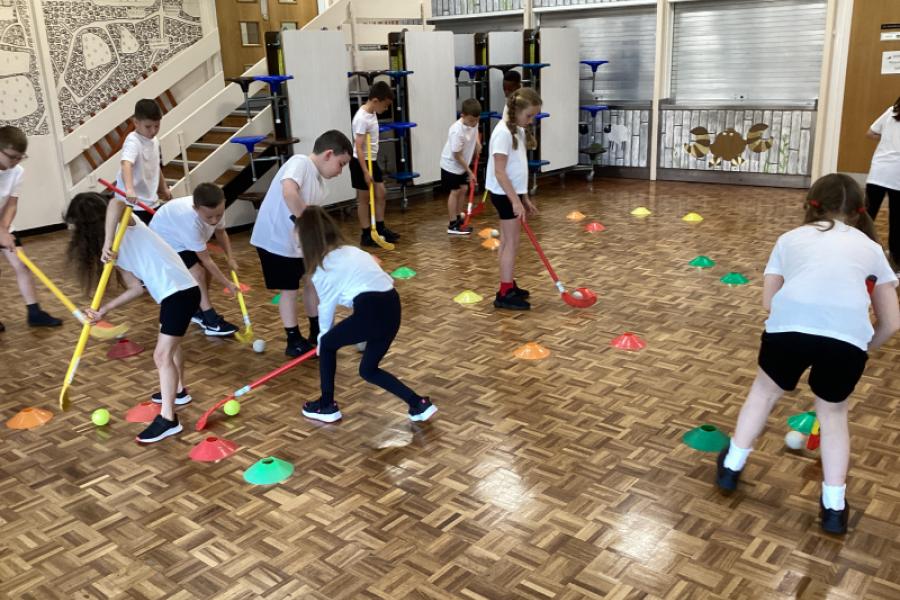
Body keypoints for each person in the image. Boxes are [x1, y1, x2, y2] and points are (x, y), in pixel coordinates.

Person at [715, 173, 900, 535]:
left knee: (763, 393)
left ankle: (731, 467)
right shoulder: (872, 249)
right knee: (833, 416)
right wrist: (863, 345)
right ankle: (833, 507)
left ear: (811, 204)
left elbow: (768, 301)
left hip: (788, 331)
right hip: (845, 342)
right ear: (859, 210)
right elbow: (892, 322)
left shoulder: (789, 239)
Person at [65, 192, 202, 443]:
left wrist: (108, 242)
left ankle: (168, 419)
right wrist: (104, 310)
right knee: (171, 349)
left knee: (161, 355)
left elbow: (117, 202)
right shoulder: (113, 250)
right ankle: (179, 391)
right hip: (172, 294)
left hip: (181, 291)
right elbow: (136, 288)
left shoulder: (125, 223)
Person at [296, 206, 436, 424]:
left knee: (329, 344)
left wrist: (322, 340)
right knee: (368, 370)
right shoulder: (353, 251)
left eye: (299, 243)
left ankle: (326, 405)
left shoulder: (322, 268)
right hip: (392, 306)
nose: (297, 247)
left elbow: (326, 308)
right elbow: (382, 280)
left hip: (371, 310)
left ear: (309, 241)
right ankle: (418, 403)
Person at [250, 130, 352, 356]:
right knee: (289, 289)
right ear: (328, 154)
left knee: (311, 282)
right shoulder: (300, 162)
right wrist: (307, 225)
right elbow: (289, 192)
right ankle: (293, 339)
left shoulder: (320, 184)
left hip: (298, 244)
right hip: (275, 242)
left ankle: (316, 331)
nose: (340, 171)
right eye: (341, 164)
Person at [149, 182, 239, 336]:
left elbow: (221, 232)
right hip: (163, 241)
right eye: (209, 217)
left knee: (206, 274)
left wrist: (230, 257)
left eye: (218, 215)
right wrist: (227, 284)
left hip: (180, 238)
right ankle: (211, 321)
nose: (214, 220)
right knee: (198, 273)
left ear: (223, 203)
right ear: (195, 209)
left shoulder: (216, 209)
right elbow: (207, 260)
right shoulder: (189, 222)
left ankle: (196, 309)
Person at [0, 125, 62, 331]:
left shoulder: (17, 171)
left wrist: (5, 229)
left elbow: (11, 204)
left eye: (20, 157)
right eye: (12, 157)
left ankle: (34, 313)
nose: (16, 161)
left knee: (22, 265)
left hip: (3, 224)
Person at [485, 88, 542, 310]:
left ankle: (508, 284)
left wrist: (524, 196)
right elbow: (500, 172)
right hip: (504, 194)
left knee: (510, 242)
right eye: (529, 115)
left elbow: (518, 168)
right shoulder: (502, 133)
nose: (531, 120)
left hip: (511, 193)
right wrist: (515, 201)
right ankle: (504, 293)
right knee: (511, 243)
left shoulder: (516, 129)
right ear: (516, 111)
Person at [348, 81, 400, 247]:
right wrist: (365, 171)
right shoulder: (361, 118)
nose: (386, 109)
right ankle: (366, 234)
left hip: (372, 160)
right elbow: (358, 146)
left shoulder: (372, 113)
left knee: (381, 193)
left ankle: (380, 227)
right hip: (360, 162)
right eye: (385, 105)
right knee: (364, 199)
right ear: (376, 101)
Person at [115, 99, 171, 225]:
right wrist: (129, 189)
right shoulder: (133, 141)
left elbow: (155, 167)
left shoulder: (154, 141)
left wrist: (163, 188)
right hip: (133, 204)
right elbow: (126, 164)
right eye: (148, 127)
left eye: (157, 126)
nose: (153, 131)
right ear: (136, 122)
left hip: (150, 200)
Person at [865, 97, 900, 273]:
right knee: (897, 220)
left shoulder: (891, 111)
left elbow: (870, 133)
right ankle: (895, 261)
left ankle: (855, 251)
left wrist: (886, 138)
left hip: (878, 170)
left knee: (866, 215)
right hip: (897, 174)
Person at [440, 98, 482, 235]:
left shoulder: (473, 122)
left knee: (463, 189)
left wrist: (477, 144)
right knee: (455, 191)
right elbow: (457, 155)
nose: (474, 123)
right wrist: (470, 172)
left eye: (476, 120)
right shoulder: (456, 131)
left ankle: (458, 216)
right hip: (451, 164)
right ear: (462, 116)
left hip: (463, 164)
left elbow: (475, 131)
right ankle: (452, 224)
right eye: (471, 121)